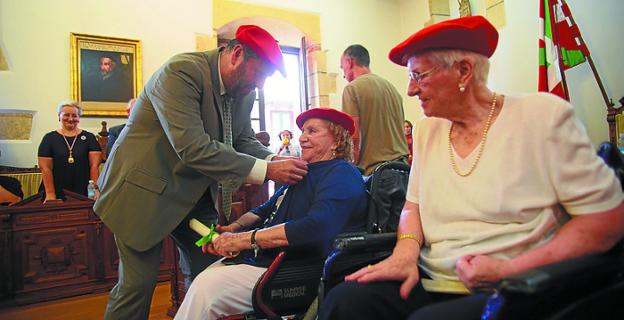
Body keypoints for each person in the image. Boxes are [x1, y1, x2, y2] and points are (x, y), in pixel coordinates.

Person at [319, 16, 624, 320]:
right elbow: (413, 208)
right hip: (433, 279)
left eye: (419, 75)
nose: (411, 90)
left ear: (463, 71)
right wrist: (405, 253)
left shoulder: (542, 116)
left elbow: (606, 221)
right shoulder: (428, 130)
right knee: (347, 300)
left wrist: (508, 269)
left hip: (520, 286)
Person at [94, 25, 309, 320]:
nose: (258, 85)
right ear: (236, 54)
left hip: (194, 200)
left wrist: (276, 160)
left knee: (209, 274)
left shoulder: (243, 90)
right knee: (137, 286)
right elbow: (192, 147)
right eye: (258, 74)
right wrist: (268, 170)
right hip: (143, 193)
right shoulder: (181, 73)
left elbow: (243, 139)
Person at [175, 107, 368, 319]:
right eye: (303, 131)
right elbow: (263, 210)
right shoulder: (302, 171)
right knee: (204, 280)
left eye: (312, 131)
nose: (302, 138)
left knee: (206, 289)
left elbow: (316, 227)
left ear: (337, 140)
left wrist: (243, 240)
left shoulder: (341, 173)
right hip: (269, 261)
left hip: (297, 269)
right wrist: (233, 229)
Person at [340, 44, 409, 175]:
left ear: (349, 62)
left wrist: (349, 171)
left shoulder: (352, 88)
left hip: (375, 173)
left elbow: (353, 137)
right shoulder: (392, 88)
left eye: (342, 67)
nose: (343, 75)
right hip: (403, 169)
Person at [37, 101, 102, 202]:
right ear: (59, 116)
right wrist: (50, 194)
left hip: (83, 190)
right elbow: (45, 168)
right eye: (66, 115)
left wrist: (94, 190)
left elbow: (94, 167)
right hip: (55, 190)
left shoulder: (89, 138)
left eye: (74, 116)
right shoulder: (49, 138)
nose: (71, 119)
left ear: (79, 118)